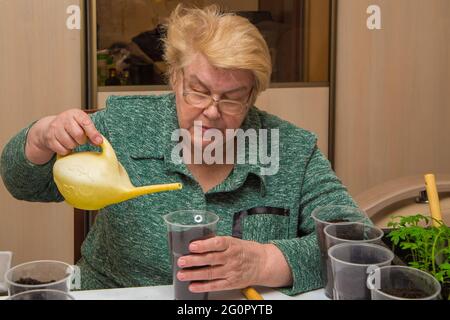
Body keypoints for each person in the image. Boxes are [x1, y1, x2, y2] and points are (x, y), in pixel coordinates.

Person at [0, 5, 358, 295]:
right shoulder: (124, 125)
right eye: (198, 91)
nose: (212, 111)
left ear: (253, 95)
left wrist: (267, 262)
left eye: (232, 98)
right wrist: (39, 138)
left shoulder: (290, 147)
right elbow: (24, 183)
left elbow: (354, 242)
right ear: (174, 78)